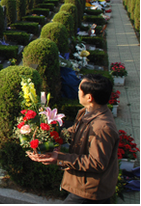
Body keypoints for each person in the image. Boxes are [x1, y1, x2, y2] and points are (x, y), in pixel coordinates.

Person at [27, 74, 119, 204]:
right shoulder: (86, 112)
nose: (77, 92)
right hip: (82, 185)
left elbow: (96, 163)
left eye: (79, 89)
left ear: (89, 97)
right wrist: (51, 138)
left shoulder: (102, 127)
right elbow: (75, 131)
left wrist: (59, 158)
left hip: (90, 191)